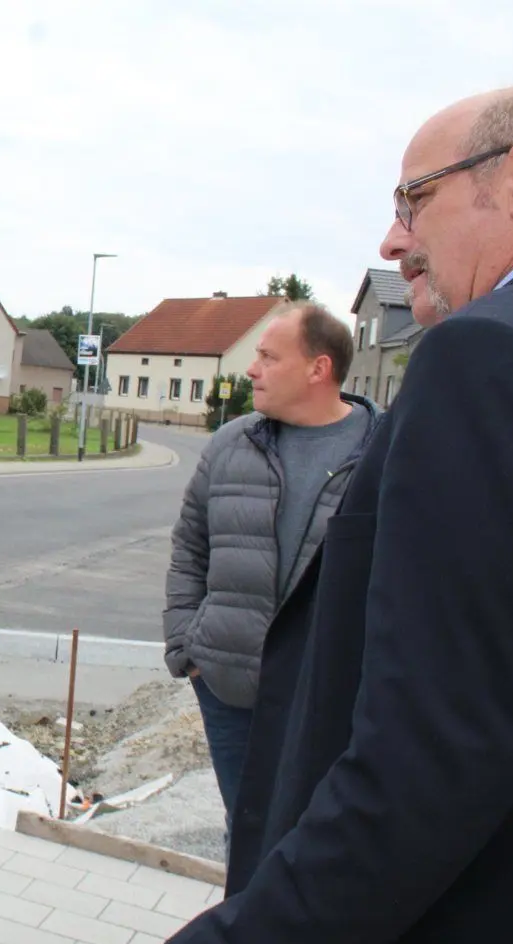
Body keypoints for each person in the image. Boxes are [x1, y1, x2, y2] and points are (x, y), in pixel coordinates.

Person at [127, 85, 513, 944]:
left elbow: (439, 752)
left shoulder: (492, 356)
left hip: (465, 942)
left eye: (414, 199)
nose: (394, 243)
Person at [163, 303, 378, 830]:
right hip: (227, 689)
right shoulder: (231, 445)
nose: (251, 369)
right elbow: (190, 550)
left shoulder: (387, 453)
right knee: (248, 834)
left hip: (328, 703)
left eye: (267, 356)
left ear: (317, 369)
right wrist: (189, 650)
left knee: (313, 842)